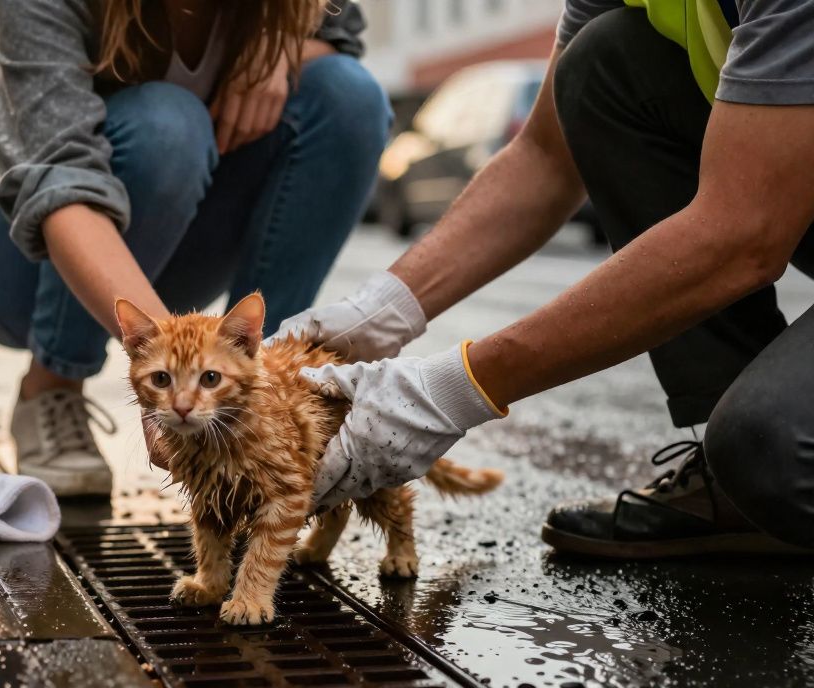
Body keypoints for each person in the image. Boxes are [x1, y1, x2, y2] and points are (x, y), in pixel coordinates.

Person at [282, 0, 814, 558]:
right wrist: (380, 310)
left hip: (767, 212)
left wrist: (448, 390)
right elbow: (544, 154)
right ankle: (733, 493)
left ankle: (761, 467)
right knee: (603, 62)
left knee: (777, 447)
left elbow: (745, 232)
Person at [0, 0, 389, 496]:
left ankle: (263, 397)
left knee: (347, 95)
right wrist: (173, 360)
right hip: (1, 255)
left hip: (172, 248)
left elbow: (343, 36)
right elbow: (60, 183)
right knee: (168, 123)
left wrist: (276, 48)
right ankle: (52, 388)